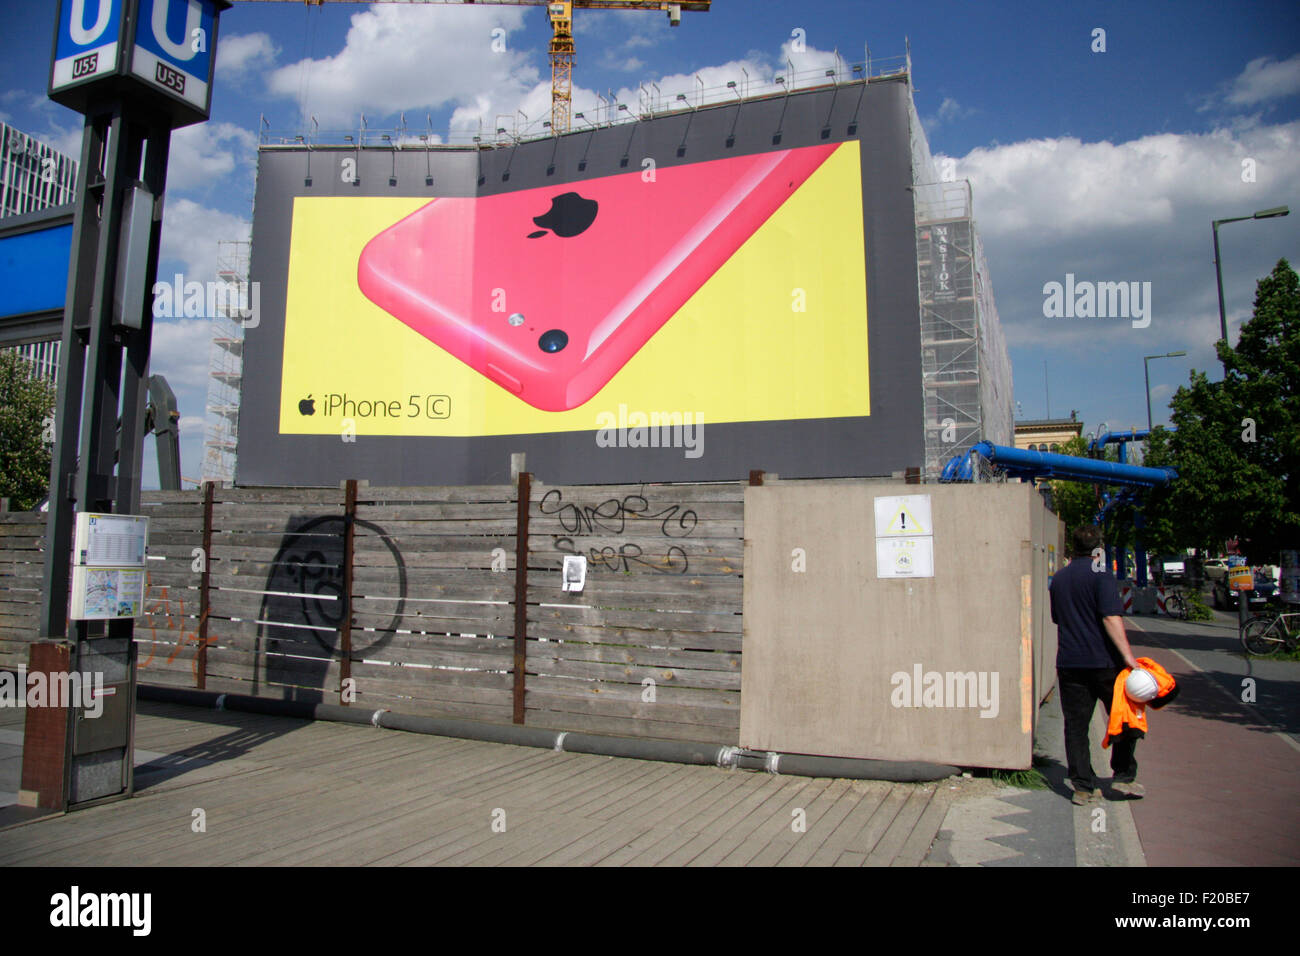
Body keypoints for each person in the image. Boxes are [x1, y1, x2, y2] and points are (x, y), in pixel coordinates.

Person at [1049, 524, 1143, 805]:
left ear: (1072, 548)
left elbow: (1056, 618)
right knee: (1125, 717)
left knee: (1076, 725)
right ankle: (1123, 775)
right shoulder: (1102, 577)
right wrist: (1128, 658)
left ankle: (1082, 786)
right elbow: (1111, 618)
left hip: (1070, 662)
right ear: (1098, 548)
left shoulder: (1060, 579)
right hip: (1105, 663)